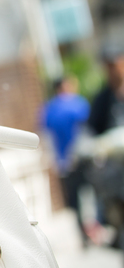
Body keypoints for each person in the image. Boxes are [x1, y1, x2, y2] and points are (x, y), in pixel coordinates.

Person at [41, 75, 90, 243]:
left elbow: (46, 137)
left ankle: (83, 234)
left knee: (74, 200)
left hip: (63, 162)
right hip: (83, 157)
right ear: (64, 86)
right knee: (90, 193)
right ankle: (95, 228)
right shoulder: (78, 104)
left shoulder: (48, 109)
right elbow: (89, 129)